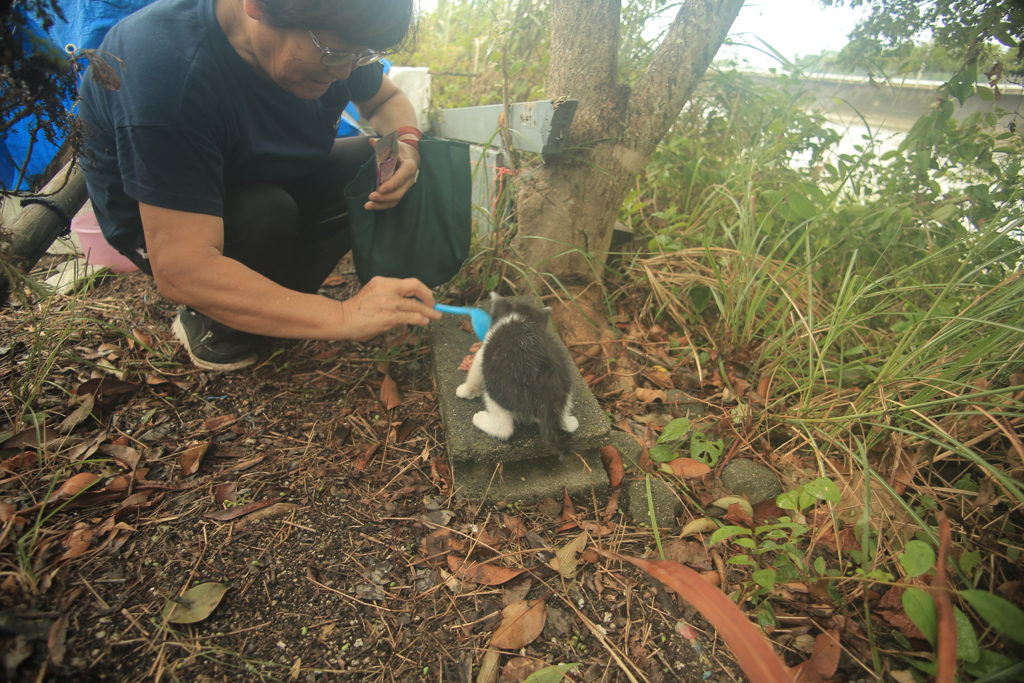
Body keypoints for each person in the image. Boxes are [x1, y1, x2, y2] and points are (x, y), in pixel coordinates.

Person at [77, 0, 441, 371]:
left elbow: (386, 98)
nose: (345, 70)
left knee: (372, 164)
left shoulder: (334, 35)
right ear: (258, 6)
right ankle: (213, 326)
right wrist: (344, 316)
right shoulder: (168, 73)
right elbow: (182, 267)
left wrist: (406, 144)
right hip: (175, 219)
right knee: (265, 212)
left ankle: (275, 298)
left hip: (263, 175)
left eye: (360, 56)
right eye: (335, 54)